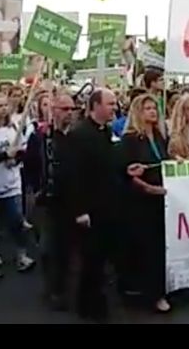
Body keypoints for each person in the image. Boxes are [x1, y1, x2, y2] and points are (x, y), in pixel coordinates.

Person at [66, 88, 118, 322]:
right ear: (96, 106)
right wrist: (80, 210)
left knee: (100, 258)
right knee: (90, 259)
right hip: (89, 208)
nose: (114, 108)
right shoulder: (79, 134)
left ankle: (94, 302)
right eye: (110, 104)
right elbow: (73, 176)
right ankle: (88, 306)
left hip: (107, 205)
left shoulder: (106, 131)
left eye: (114, 104)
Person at [119, 94, 171, 313]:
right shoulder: (130, 139)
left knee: (160, 246)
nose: (152, 112)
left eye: (154, 108)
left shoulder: (159, 135)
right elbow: (126, 173)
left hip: (161, 196)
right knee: (148, 248)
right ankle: (153, 295)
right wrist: (148, 188)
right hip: (141, 200)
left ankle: (160, 289)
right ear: (138, 113)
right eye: (147, 108)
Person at [28, 93, 77, 311]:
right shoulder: (41, 137)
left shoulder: (76, 137)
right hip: (47, 201)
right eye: (64, 109)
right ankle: (53, 288)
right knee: (49, 247)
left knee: (68, 248)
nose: (69, 113)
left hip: (70, 200)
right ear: (54, 111)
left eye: (72, 109)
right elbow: (31, 165)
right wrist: (37, 189)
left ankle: (64, 287)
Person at [0, 93, 36, 273]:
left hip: (13, 184)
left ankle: (22, 254)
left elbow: (22, 150)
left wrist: (16, 158)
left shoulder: (14, 128)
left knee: (16, 221)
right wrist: (5, 155)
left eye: (5, 105)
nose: (3, 109)